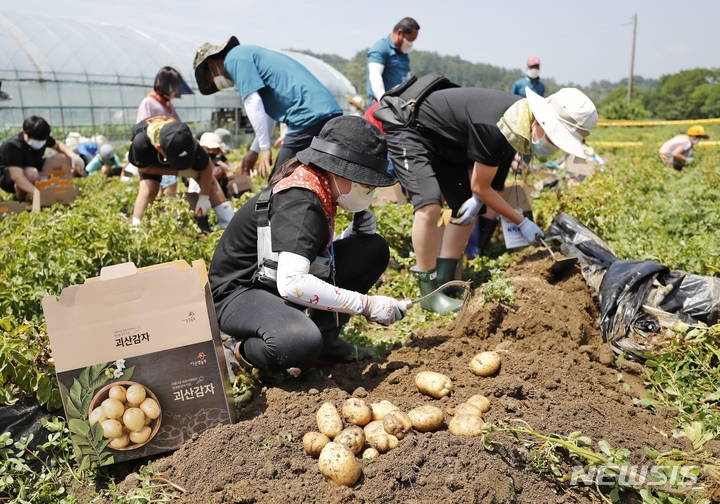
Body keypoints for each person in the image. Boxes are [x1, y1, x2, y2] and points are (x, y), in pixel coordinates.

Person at [209, 115, 406, 376]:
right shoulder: (302, 201)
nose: (369, 191)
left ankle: (329, 343)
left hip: (271, 279)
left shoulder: (318, 185)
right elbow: (293, 283)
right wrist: (366, 304)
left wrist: (348, 235)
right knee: (298, 342)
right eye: (366, 184)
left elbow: (298, 251)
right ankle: (236, 350)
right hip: (240, 293)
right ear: (339, 171)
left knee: (371, 250)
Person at [383, 86, 598, 314]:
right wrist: (521, 221)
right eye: (555, 138)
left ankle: (446, 280)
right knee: (429, 205)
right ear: (541, 122)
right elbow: (481, 187)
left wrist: (477, 198)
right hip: (411, 127)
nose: (553, 146)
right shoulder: (498, 125)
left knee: (467, 205)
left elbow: (488, 186)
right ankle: (429, 294)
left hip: (446, 142)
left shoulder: (517, 125)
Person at [193, 37, 342, 179]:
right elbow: (269, 116)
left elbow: (252, 101)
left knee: (279, 180)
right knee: (318, 174)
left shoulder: (234, 59)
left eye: (210, 79)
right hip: (328, 113)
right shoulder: (246, 55)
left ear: (212, 66)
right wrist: (254, 150)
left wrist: (265, 149)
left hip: (306, 117)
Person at [127, 116, 234, 228]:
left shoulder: (188, 141)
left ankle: (228, 224)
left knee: (208, 181)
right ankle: (137, 230)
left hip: (173, 148)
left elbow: (206, 166)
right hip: (150, 159)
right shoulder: (141, 144)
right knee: (149, 189)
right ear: (160, 148)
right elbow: (143, 168)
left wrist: (204, 197)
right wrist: (178, 172)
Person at [132, 67, 191, 220]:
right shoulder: (149, 103)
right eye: (174, 87)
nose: (176, 92)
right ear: (165, 85)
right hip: (153, 154)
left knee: (169, 187)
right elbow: (142, 129)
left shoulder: (168, 105)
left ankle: (165, 220)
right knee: (150, 189)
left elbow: (178, 125)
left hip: (167, 155)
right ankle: (138, 225)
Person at [0, 116, 83, 201]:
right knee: (31, 173)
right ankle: (20, 199)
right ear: (25, 133)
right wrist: (38, 193)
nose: (40, 143)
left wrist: (74, 157)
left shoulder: (41, 136)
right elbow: (16, 176)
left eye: (42, 140)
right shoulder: (13, 147)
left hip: (35, 166)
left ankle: (65, 191)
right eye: (36, 140)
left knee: (61, 158)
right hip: (9, 179)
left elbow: (58, 145)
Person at [366, 17, 420, 109]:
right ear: (400, 33)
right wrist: (383, 101)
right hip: (379, 102)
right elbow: (375, 76)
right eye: (410, 40)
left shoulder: (404, 53)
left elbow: (407, 77)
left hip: (397, 101)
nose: (411, 44)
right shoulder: (381, 48)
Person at [199, 132, 231, 197]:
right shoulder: (196, 165)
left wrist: (223, 177)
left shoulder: (217, 167)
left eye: (214, 150)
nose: (211, 152)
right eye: (208, 149)